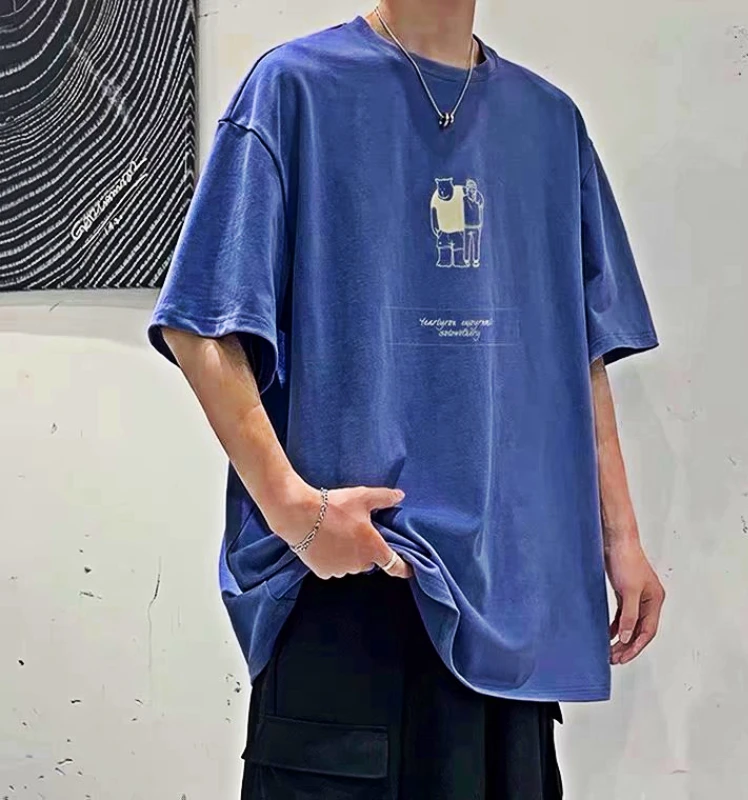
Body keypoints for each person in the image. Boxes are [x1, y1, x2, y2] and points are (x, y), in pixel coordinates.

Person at [148, 1, 666, 797]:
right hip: (352, 586)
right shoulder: (296, 88)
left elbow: (582, 353)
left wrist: (621, 539)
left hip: (511, 603)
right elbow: (200, 324)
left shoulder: (550, 125)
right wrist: (296, 512)